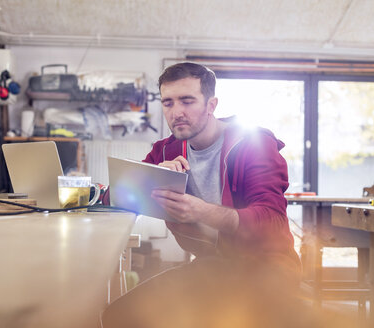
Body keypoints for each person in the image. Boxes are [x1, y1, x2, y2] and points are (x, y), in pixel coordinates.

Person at [101, 62, 303, 328]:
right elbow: (112, 197)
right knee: (119, 316)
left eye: (187, 101)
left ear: (211, 105)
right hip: (214, 267)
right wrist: (150, 177)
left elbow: (272, 223)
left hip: (269, 267)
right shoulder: (165, 151)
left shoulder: (254, 144)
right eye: (168, 103)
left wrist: (201, 210)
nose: (177, 112)